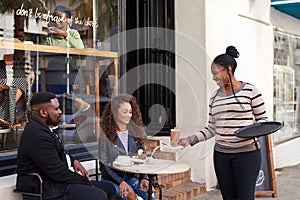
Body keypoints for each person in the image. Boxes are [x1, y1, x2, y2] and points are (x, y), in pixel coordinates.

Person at [178, 46, 268, 200]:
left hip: (246, 154)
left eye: (216, 73)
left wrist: (251, 132)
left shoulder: (251, 91)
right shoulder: (214, 98)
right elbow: (212, 128)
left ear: (229, 69)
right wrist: (190, 139)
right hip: (221, 156)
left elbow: (263, 121)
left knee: (245, 197)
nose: (213, 78)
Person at [16, 92, 116, 200]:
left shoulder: (43, 128)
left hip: (57, 183)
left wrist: (73, 160)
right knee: (98, 195)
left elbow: (56, 151)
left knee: (109, 188)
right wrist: (84, 181)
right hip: (47, 189)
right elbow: (57, 172)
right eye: (56, 109)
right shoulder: (36, 134)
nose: (60, 112)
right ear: (43, 113)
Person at [98, 94, 155, 200]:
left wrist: (144, 178)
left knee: (150, 196)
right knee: (128, 197)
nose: (128, 115)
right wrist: (120, 182)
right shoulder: (105, 136)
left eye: (130, 112)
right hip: (112, 180)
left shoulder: (135, 134)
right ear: (114, 112)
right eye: (125, 112)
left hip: (131, 178)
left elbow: (142, 158)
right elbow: (104, 166)